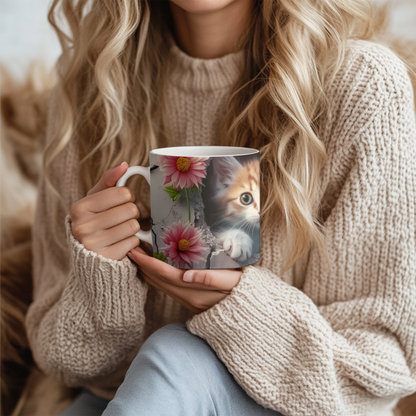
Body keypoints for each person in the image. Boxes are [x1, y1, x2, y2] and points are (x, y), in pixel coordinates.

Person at [25, 0, 416, 415]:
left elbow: (381, 371)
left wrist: (235, 307)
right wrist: (101, 278)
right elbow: (63, 359)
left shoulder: (362, 84)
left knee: (174, 353)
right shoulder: (95, 86)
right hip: (131, 399)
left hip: (296, 408)